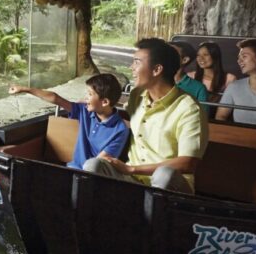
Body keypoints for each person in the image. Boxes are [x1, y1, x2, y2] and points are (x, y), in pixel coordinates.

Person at [82, 37, 208, 194]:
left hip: (171, 185)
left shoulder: (189, 109)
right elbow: (118, 116)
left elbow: (188, 163)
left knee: (164, 174)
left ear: (156, 70)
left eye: (136, 62)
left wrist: (131, 169)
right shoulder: (137, 95)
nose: (131, 67)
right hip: (134, 179)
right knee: (93, 165)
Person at [8, 74, 129, 170]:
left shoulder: (120, 130)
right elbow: (55, 98)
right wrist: (26, 89)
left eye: (90, 94)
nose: (86, 97)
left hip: (92, 177)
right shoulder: (85, 111)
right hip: (72, 169)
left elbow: (99, 163)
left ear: (104, 102)